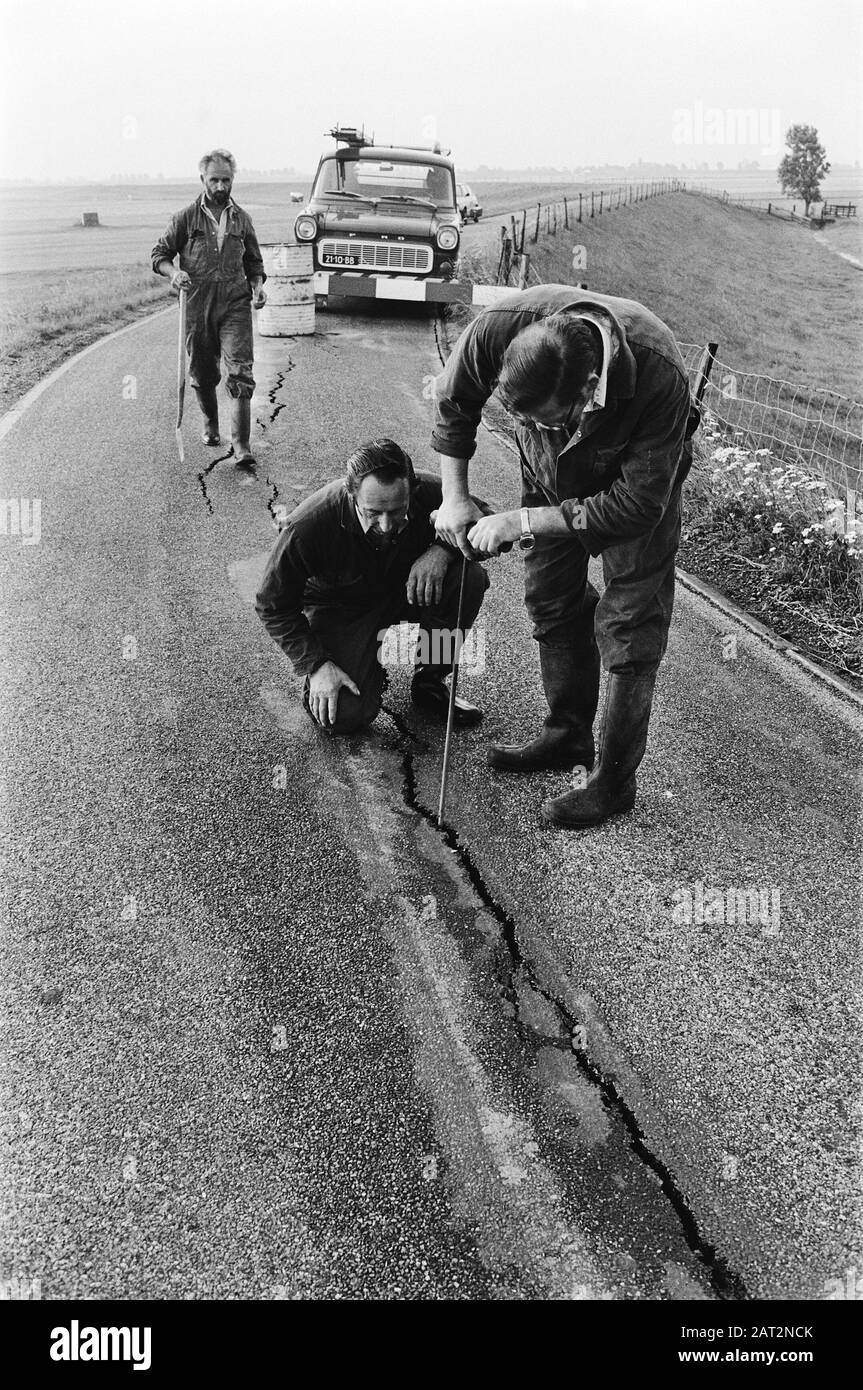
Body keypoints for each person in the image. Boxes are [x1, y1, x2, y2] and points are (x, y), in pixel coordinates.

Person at [430, 285, 700, 829]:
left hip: (633, 491)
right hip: (548, 479)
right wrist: (454, 497)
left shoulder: (657, 372)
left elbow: (634, 507)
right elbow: (453, 404)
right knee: (549, 596)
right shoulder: (498, 329)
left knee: (629, 625)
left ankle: (612, 783)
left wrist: (520, 521)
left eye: (553, 421)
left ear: (590, 387)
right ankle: (567, 733)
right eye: (529, 421)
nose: (545, 429)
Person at [255, 439, 488, 734]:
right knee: (343, 716)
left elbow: (485, 520)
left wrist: (442, 550)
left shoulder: (430, 490)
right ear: (350, 494)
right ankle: (358, 666)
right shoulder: (307, 526)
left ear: (412, 491)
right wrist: (315, 664)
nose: (387, 525)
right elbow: (272, 605)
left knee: (468, 578)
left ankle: (430, 680)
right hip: (343, 609)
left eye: (397, 510)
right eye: (374, 512)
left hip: (405, 590)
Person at [152, 149, 267, 465]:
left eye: (225, 180)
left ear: (233, 180)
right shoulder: (185, 218)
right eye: (214, 179)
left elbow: (254, 262)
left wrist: (257, 288)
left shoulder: (242, 220)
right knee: (203, 373)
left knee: (241, 371)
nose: (220, 186)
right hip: (197, 305)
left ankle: (242, 445)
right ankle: (210, 423)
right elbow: (159, 255)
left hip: (235, 305)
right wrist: (174, 273)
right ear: (202, 178)